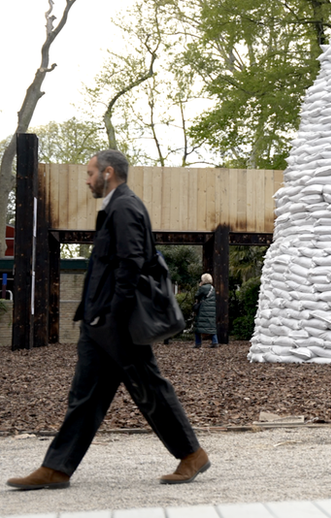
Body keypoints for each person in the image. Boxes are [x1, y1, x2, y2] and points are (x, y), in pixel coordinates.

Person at [6, 150, 210, 491]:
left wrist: (114, 315)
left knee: (149, 387)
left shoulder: (124, 206)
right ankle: (56, 468)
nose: (87, 180)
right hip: (101, 321)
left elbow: (130, 263)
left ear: (108, 172)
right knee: (86, 396)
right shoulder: (116, 206)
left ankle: (192, 454)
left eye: (90, 173)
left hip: (115, 322)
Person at [194, 273, 218, 348]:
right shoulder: (212, 288)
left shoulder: (203, 288)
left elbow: (196, 295)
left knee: (198, 327)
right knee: (212, 327)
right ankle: (215, 342)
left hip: (203, 309)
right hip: (211, 310)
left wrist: (200, 286)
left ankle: (198, 343)